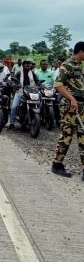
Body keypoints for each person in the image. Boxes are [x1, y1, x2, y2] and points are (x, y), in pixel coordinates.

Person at [52, 42, 84, 180]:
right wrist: (72, 99)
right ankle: (57, 165)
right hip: (71, 107)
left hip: (80, 107)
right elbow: (58, 86)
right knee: (66, 136)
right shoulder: (67, 65)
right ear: (81, 51)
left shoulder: (78, 66)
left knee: (83, 136)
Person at [8, 59, 39, 129]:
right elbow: (14, 80)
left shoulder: (33, 73)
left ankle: (36, 118)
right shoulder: (19, 73)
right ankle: (12, 123)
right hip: (20, 91)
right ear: (23, 65)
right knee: (14, 107)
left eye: (29, 64)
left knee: (39, 103)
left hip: (30, 92)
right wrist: (15, 84)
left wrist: (40, 85)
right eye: (26, 64)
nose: (28, 65)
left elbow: (37, 81)